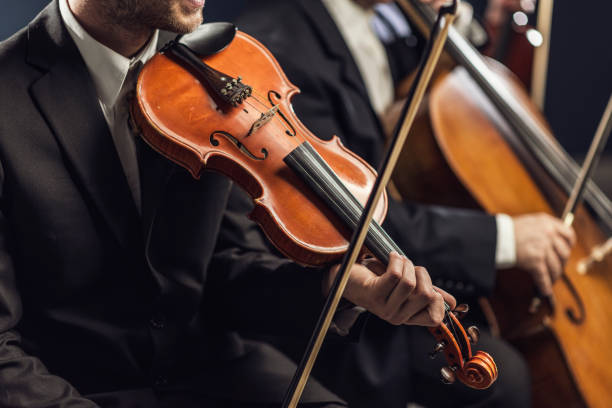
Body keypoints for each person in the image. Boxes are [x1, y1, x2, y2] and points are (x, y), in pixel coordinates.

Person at [0, 0, 457, 406]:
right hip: (79, 389)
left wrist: (340, 290)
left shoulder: (213, 72)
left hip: (215, 371)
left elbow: (225, 269)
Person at [236, 0, 576, 407]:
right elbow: (349, 215)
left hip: (407, 266)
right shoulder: (280, 44)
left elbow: (450, 107)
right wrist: (504, 238)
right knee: (502, 378)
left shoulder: (384, 27)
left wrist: (477, 30)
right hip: (332, 312)